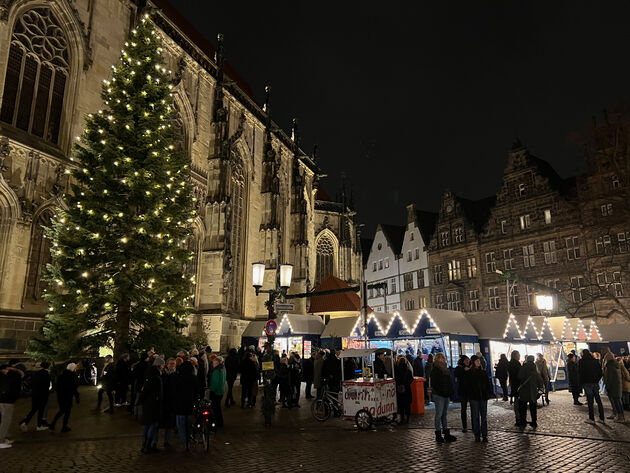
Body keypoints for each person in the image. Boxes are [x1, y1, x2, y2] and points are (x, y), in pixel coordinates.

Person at [139, 358, 163, 453]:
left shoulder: (149, 375)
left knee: (147, 425)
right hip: (153, 404)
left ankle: (145, 444)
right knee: (153, 424)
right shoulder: (156, 377)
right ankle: (147, 445)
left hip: (148, 403)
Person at [430, 353, 456, 443]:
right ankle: (438, 433)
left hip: (445, 394)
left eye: (443, 358)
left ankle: (445, 432)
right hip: (439, 395)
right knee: (439, 414)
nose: (442, 359)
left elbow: (449, 382)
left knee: (444, 414)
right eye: (440, 358)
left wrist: (449, 391)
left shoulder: (446, 369)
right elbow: (435, 383)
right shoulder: (435, 370)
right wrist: (442, 391)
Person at [19, 361, 51, 431]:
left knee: (34, 409)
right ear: (48, 367)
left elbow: (32, 383)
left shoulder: (37, 373)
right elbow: (47, 386)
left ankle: (25, 422)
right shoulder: (46, 374)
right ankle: (39, 425)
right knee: (41, 410)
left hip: (35, 394)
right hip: (43, 395)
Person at [0, 359, 25, 447]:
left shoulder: (8, 375)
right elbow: (9, 388)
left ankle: (3, 438)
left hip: (5, 400)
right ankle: (1, 440)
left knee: (5, 420)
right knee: (5, 421)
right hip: (6, 400)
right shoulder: (13, 375)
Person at [174, 360, 198, 451]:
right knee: (189, 425)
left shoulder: (177, 378)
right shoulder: (193, 378)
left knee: (181, 426)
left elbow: (174, 391)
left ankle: (184, 443)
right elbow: (197, 391)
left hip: (179, 406)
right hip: (190, 405)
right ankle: (188, 440)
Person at [50, 363, 80, 433]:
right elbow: (74, 388)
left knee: (62, 410)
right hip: (68, 396)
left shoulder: (61, 375)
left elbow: (57, 386)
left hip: (60, 396)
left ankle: (53, 423)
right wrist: (77, 397)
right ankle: (63, 426)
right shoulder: (72, 376)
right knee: (67, 412)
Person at [467, 355, 490, 442]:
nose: (478, 362)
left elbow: (488, 384)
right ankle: (477, 435)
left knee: (483, 417)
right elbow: (468, 386)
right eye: (476, 361)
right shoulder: (470, 373)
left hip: (483, 397)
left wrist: (487, 393)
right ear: (473, 362)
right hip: (474, 397)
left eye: (479, 361)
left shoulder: (483, 372)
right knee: (475, 416)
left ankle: (484, 435)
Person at [578, 349, 605, 424]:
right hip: (595, 382)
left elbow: (580, 373)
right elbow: (600, 372)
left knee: (590, 401)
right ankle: (602, 418)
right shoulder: (595, 361)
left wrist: (582, 383)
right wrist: (597, 380)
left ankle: (592, 418)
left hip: (587, 383)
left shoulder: (582, 361)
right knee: (598, 400)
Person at [517, 355, 542, 428]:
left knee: (523, 407)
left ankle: (523, 422)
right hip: (533, 390)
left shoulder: (524, 367)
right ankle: (534, 422)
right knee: (533, 407)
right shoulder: (535, 367)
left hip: (524, 390)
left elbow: (519, 376)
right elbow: (539, 379)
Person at [602, 350, 624, 422]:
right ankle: (619, 415)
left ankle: (620, 416)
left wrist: (607, 386)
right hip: (617, 385)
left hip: (613, 386)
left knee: (616, 401)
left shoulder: (610, 366)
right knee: (618, 401)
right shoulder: (616, 364)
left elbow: (609, 378)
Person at [160, 357, 177, 449]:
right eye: (170, 364)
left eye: (173, 364)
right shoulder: (163, 375)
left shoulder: (176, 376)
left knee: (170, 424)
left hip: (172, 403)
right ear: (167, 365)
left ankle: (167, 441)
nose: (172, 365)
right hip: (164, 402)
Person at [454, 355, 471, 432]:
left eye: (468, 360)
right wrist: (464, 370)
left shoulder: (471, 368)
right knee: (463, 409)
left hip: (471, 391)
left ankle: (474, 426)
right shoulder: (459, 368)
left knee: (473, 409)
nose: (468, 361)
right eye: (466, 360)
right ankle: (465, 426)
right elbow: (456, 374)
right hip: (463, 392)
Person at [394, 355, 413, 424]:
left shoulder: (397, 370)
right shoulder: (408, 370)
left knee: (401, 405)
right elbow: (411, 379)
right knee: (407, 405)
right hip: (407, 390)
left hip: (399, 390)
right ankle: (407, 418)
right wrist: (406, 384)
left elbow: (395, 379)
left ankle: (402, 418)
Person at [209, 356, 226, 428]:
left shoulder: (216, 371)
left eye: (213, 363)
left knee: (216, 408)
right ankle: (220, 422)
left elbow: (215, 383)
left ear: (216, 363)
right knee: (218, 408)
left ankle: (218, 423)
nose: (212, 364)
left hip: (216, 392)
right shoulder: (223, 369)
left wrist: (211, 390)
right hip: (221, 391)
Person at [508, 350, 521, 425]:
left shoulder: (511, 363)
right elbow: (518, 375)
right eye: (518, 354)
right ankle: (518, 418)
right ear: (515, 355)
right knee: (517, 402)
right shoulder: (515, 364)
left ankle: (518, 418)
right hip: (517, 385)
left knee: (517, 401)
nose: (519, 356)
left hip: (514, 385)